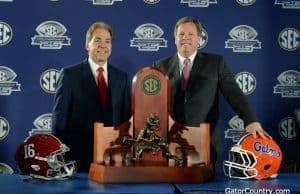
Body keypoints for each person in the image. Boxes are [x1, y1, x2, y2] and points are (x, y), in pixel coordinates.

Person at [153, 16, 270, 163]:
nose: (185, 38)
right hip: (170, 144)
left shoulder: (215, 63)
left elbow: (234, 94)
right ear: (175, 38)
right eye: (181, 34)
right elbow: (152, 103)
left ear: (199, 39)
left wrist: (251, 120)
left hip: (205, 144)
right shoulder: (159, 66)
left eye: (191, 34)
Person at [52, 21, 131, 172]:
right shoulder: (69, 75)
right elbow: (59, 121)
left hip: (112, 160)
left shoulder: (122, 77)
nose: (103, 45)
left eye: (107, 41)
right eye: (98, 40)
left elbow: (126, 119)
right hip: (77, 161)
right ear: (87, 45)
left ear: (111, 47)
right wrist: (59, 156)